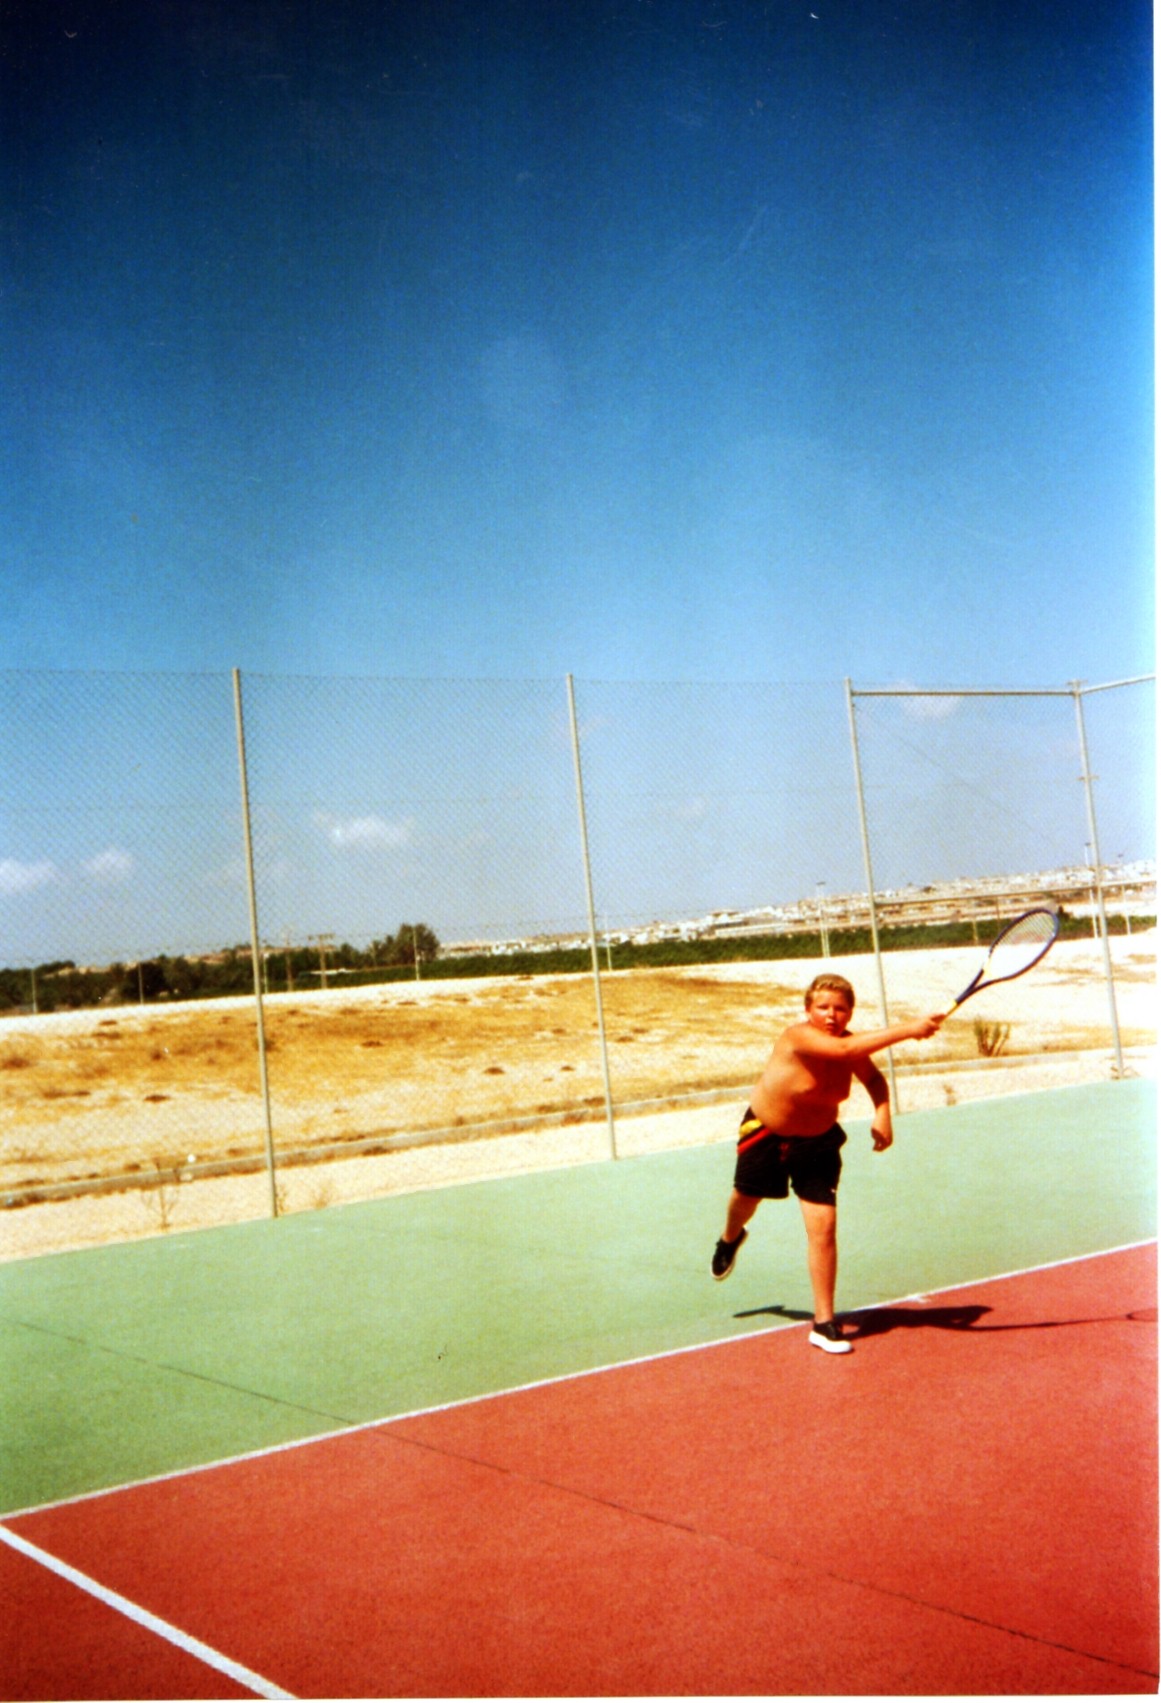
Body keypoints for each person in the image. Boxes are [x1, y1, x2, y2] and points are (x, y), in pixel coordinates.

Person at [711, 972, 945, 1354]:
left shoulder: (851, 1045)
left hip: (817, 1144)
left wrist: (883, 1113)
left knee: (824, 1228)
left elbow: (873, 1079)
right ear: (808, 1010)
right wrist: (909, 1029)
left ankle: (823, 1323)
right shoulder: (797, 1037)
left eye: (840, 1009)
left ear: (850, 1013)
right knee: (746, 1197)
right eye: (823, 1007)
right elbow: (844, 1051)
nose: (831, 1015)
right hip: (766, 1133)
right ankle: (730, 1238)